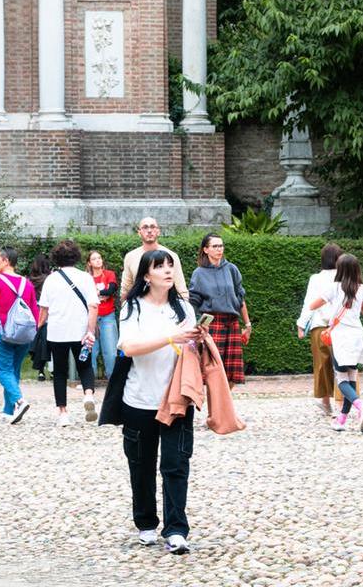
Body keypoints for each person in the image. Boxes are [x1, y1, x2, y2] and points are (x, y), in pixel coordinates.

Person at [101, 249, 210, 555]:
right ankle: (146, 522)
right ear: (146, 276)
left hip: (176, 398)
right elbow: (129, 347)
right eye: (159, 266)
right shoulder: (132, 307)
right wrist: (171, 337)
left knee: (176, 465)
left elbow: (188, 347)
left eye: (170, 266)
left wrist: (196, 339)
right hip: (139, 399)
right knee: (141, 464)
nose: (166, 270)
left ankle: (176, 529)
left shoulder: (184, 308)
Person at [308, 254, 363, 433]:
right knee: (351, 377)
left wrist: (328, 306)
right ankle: (342, 420)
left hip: (341, 337)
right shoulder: (362, 289)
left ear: (340, 269)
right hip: (358, 336)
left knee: (341, 379)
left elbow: (313, 305)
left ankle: (361, 405)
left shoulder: (334, 288)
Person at [38, 239, 100, 426]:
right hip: (80, 330)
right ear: (77, 257)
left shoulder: (51, 279)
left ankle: (63, 413)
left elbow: (44, 309)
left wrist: (39, 325)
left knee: (60, 372)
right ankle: (88, 394)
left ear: (56, 258)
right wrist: (90, 330)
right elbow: (93, 306)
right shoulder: (86, 277)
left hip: (57, 331)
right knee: (85, 365)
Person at [0, 246, 38, 425]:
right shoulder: (26, 283)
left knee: (3, 370)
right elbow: (34, 310)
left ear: (6, 261)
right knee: (13, 371)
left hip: (1, 332)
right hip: (23, 334)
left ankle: (19, 401)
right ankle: (7, 410)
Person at [188, 233, 250, 390]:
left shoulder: (232, 269)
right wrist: (197, 326)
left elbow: (240, 297)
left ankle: (223, 406)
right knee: (212, 370)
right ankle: (215, 409)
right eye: (215, 246)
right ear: (206, 249)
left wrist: (247, 324)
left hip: (232, 322)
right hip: (212, 323)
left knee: (232, 373)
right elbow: (193, 302)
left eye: (221, 245)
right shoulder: (199, 273)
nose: (219, 249)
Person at [297, 242, 344, 415]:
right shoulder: (344, 277)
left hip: (319, 328)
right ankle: (343, 404)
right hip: (341, 327)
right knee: (344, 366)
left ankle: (325, 402)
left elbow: (309, 304)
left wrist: (301, 325)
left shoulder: (315, 279)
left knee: (322, 366)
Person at [120, 216, 188, 299]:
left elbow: (181, 288)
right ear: (139, 232)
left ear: (158, 231)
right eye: (145, 227)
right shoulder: (130, 257)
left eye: (152, 227)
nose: (149, 231)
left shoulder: (171, 256)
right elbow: (126, 288)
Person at [88, 250, 120, 380]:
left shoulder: (109, 274)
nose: (98, 260)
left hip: (107, 316)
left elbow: (111, 290)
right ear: (89, 263)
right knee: (91, 350)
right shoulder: (86, 277)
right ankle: (89, 381)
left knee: (111, 351)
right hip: (91, 317)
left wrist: (96, 292)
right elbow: (85, 295)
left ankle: (112, 380)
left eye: (99, 258)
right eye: (94, 259)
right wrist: (102, 294)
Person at [26, 253, 53, 380]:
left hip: (34, 313)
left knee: (39, 343)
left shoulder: (29, 280)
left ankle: (40, 370)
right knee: (50, 342)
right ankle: (52, 369)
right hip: (49, 313)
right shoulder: (50, 279)